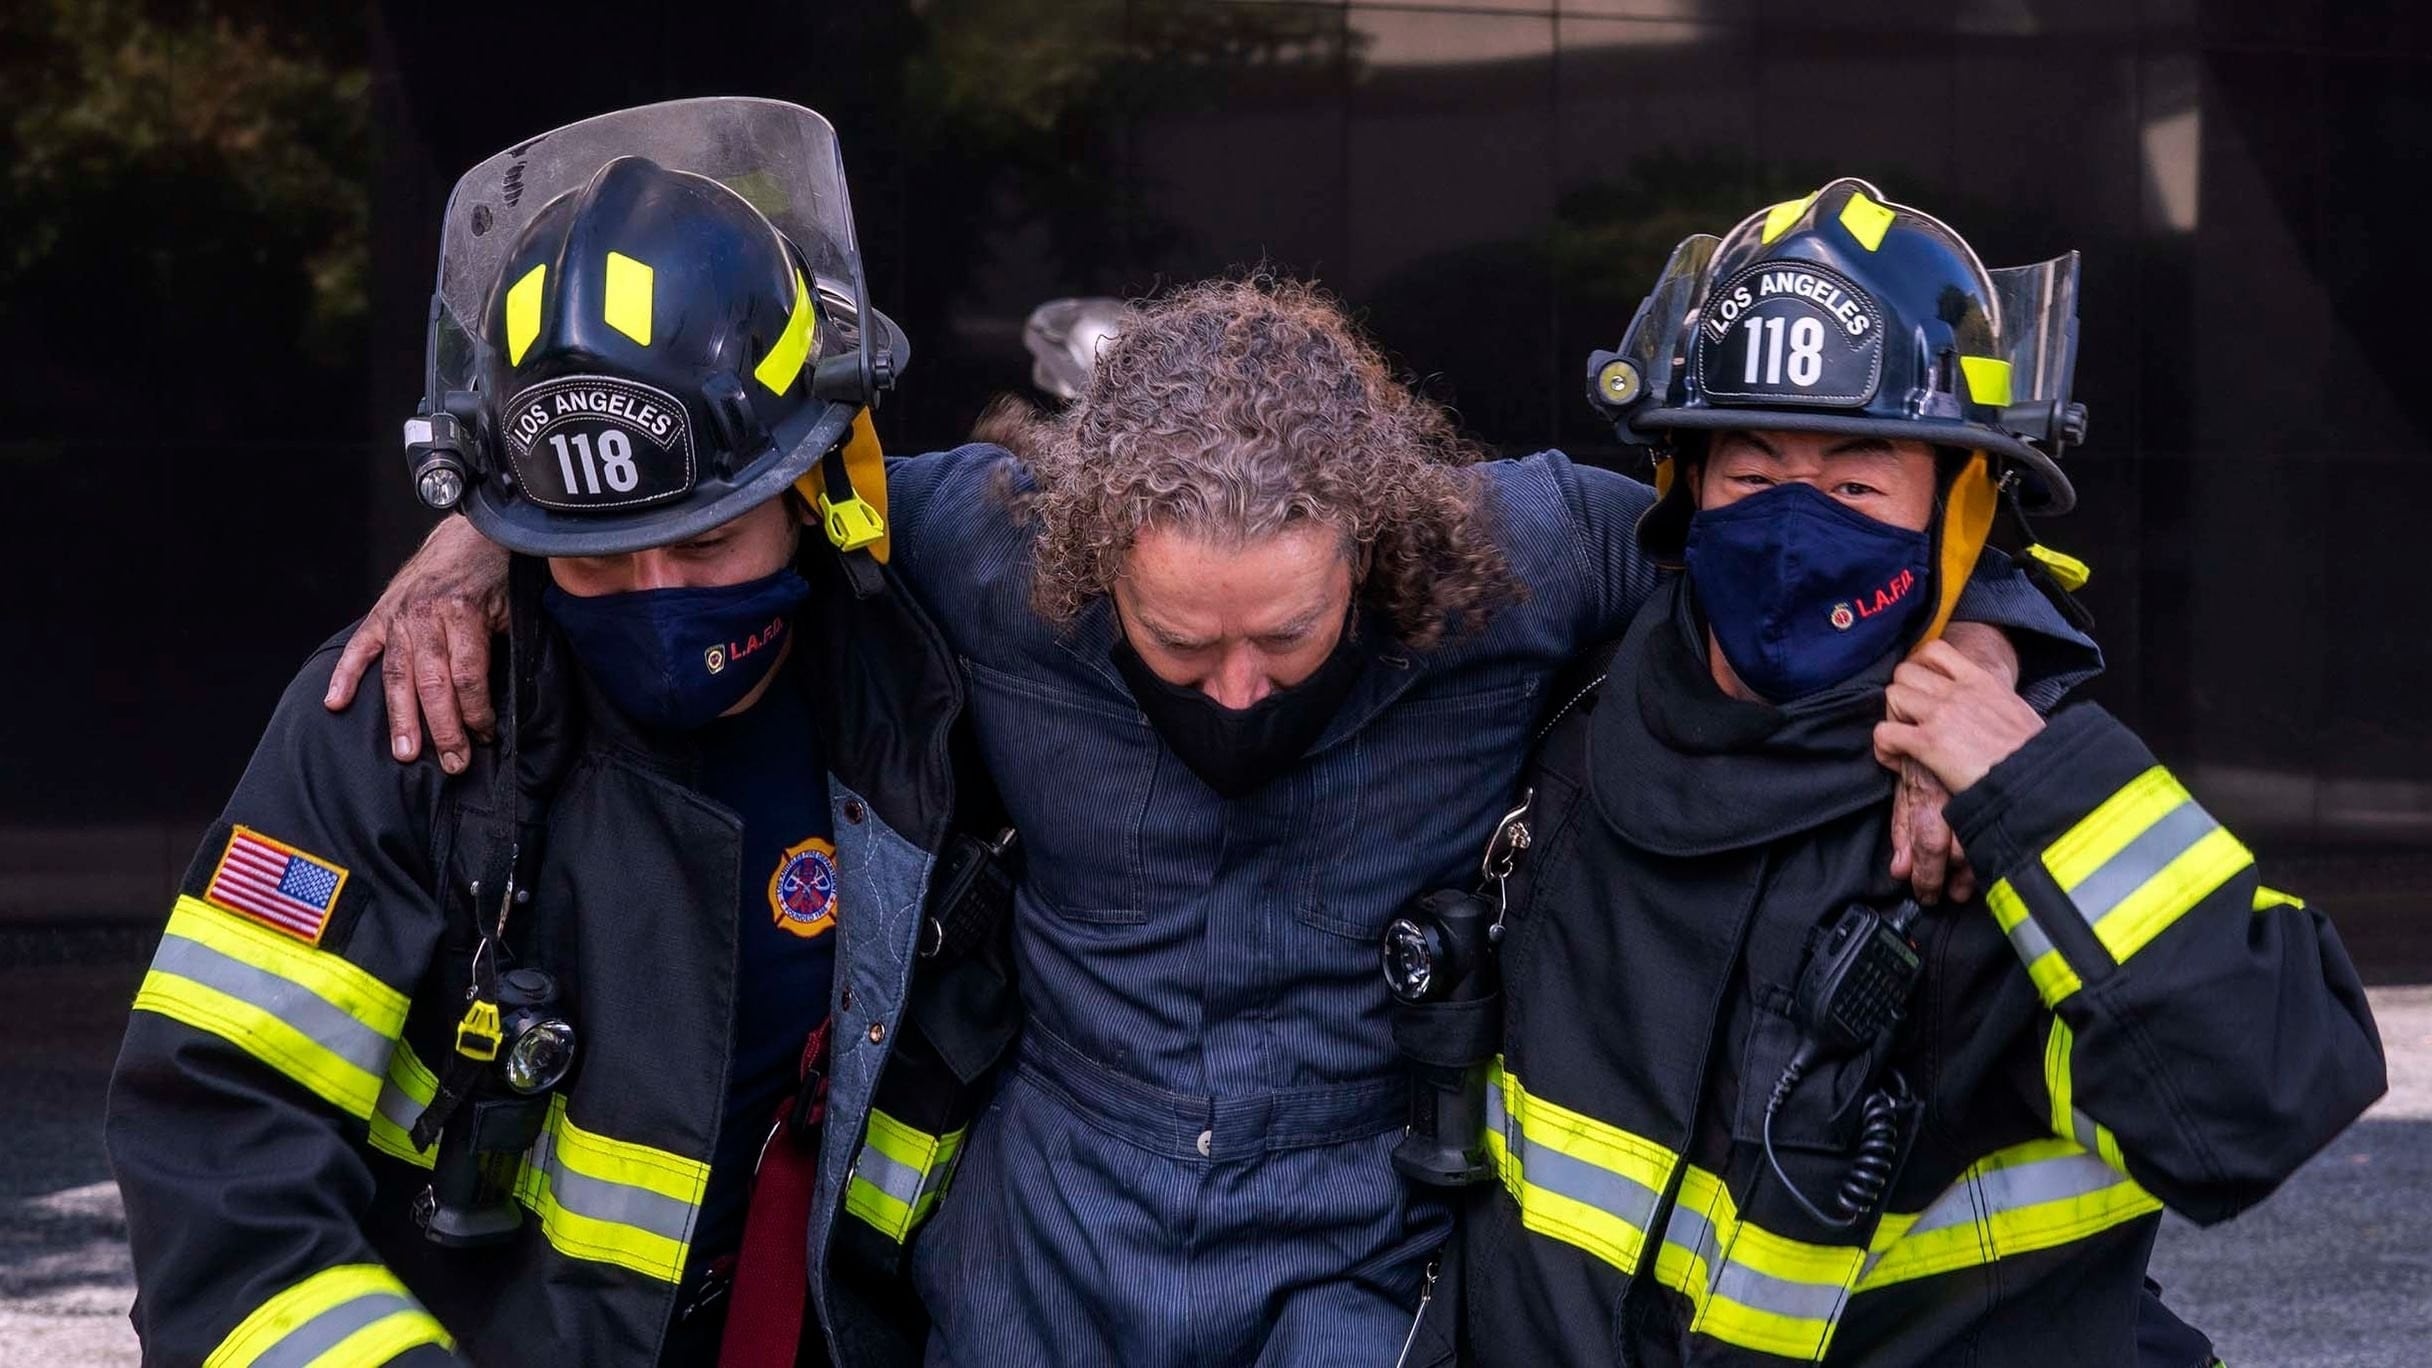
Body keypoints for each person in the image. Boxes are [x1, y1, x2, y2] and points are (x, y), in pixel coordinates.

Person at [339, 265, 2099, 1363]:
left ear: (1381, 554)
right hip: (1040, 1245)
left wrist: (1977, 638)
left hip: (1357, 1249)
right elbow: (732, 473)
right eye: (1184, 644)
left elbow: (1784, 529)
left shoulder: (1520, 557)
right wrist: (477, 536)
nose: (1238, 687)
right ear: (1092, 564)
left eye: (1288, 637)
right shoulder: (986, 547)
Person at [104, 100, 1013, 1367]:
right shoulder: (404, 713)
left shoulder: (934, 668)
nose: (655, 595)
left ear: (810, 485)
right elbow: (216, 1149)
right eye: (594, 556)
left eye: (706, 540)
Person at [1430, 179, 2386, 1366]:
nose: (1792, 527)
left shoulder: (1998, 821)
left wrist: (2032, 791)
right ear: (1681, 487)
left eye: (1854, 485)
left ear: (1958, 515)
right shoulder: (1567, 707)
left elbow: (2257, 1104)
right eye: (1749, 475)